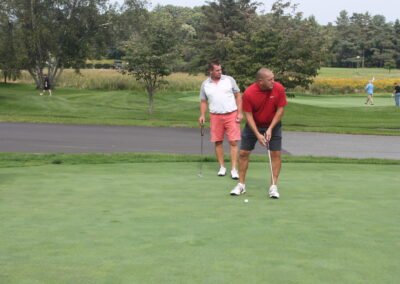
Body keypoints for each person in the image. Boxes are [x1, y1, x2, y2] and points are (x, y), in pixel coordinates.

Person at [230, 68, 287, 198]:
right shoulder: (250, 93)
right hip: (253, 125)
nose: (274, 81)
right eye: (270, 79)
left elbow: (280, 110)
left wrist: (270, 128)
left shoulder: (278, 88)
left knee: (275, 153)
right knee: (244, 153)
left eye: (273, 78)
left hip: (273, 124)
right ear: (261, 81)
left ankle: (273, 186)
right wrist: (257, 134)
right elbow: (248, 115)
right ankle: (241, 185)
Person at [198, 61, 243, 179]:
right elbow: (203, 101)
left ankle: (234, 169)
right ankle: (222, 167)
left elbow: (238, 95)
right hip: (215, 116)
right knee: (218, 141)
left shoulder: (229, 80)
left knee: (233, 141)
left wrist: (240, 112)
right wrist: (202, 115)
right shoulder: (205, 84)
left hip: (231, 114)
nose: (220, 72)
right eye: (217, 70)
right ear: (210, 71)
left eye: (220, 70)